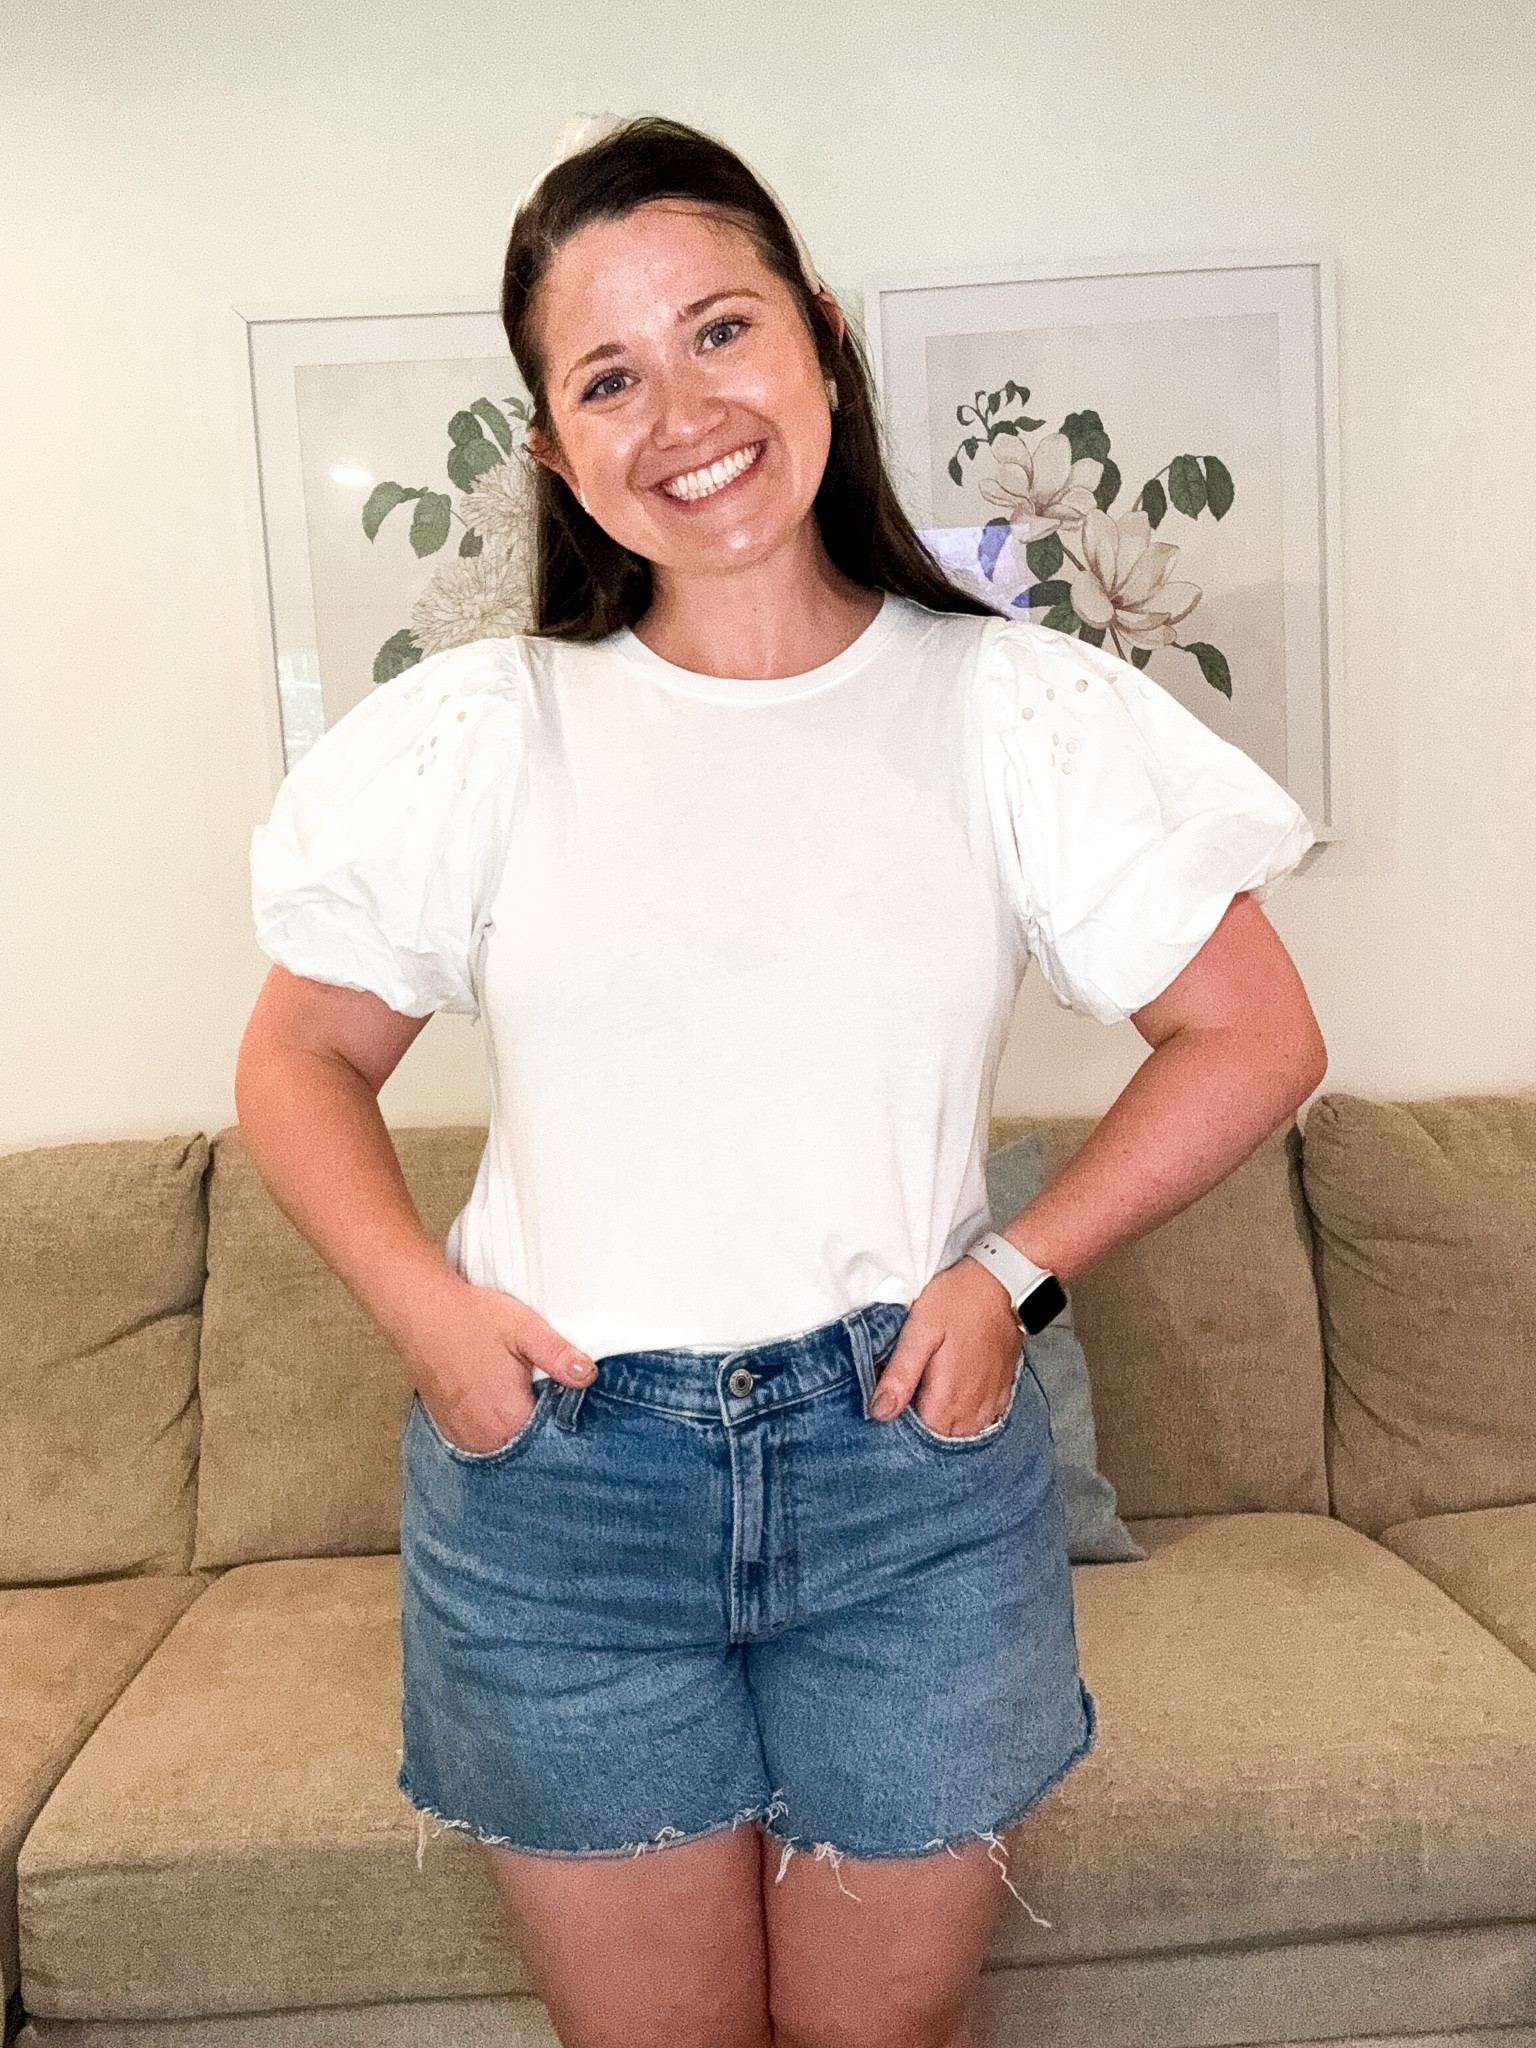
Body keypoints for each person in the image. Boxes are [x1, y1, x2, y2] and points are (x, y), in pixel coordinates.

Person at [236, 112, 1326, 2048]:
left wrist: (1013, 1277)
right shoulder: (486, 733)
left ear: (818, 338)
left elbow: (1255, 1035)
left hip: (905, 1477)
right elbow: (301, 1053)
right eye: (608, 376)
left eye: (721, 330)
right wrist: (429, 1315)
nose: (683, 411)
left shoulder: (1014, 709)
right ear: (559, 446)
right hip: (562, 1494)